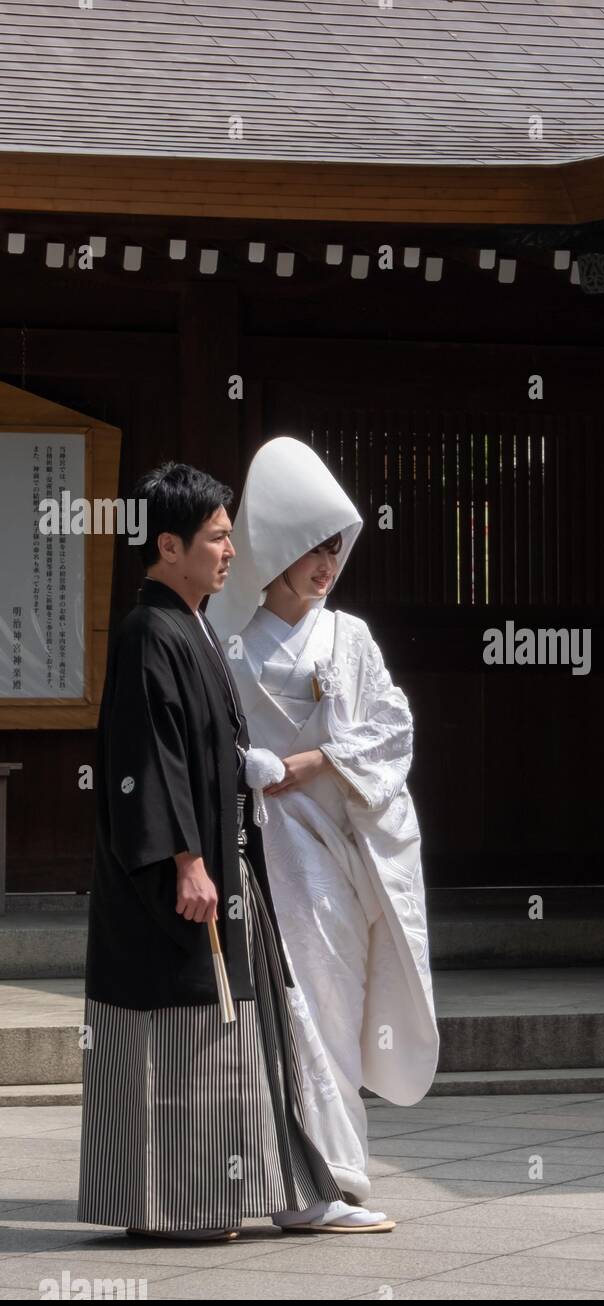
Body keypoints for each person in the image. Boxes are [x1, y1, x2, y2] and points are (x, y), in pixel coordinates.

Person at [77, 461, 395, 1239]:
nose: (229, 551)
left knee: (249, 1031)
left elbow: (203, 745)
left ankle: (279, 1191)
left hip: (226, 864)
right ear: (168, 545)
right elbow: (148, 759)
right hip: (178, 881)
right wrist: (185, 859)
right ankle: (180, 1203)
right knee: (191, 1036)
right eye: (217, 537)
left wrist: (246, 766)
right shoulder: (151, 630)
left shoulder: (190, 626)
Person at [205, 438, 439, 1213]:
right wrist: (255, 770)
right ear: (273, 549)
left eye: (334, 549)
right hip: (265, 843)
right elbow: (207, 739)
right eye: (310, 548)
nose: (324, 565)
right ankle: (307, 1178)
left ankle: (327, 1173)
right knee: (290, 1003)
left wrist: (317, 762)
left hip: (337, 843)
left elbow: (392, 730)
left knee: (333, 1003)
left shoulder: (353, 637)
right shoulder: (224, 639)